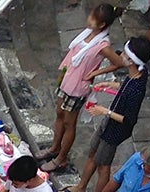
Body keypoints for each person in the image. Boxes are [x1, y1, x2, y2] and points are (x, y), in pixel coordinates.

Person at [65, 38, 150, 192]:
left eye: (126, 54)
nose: (122, 55)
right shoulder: (137, 74)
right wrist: (113, 85)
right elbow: (126, 86)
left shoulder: (136, 90)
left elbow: (128, 120)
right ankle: (81, 187)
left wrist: (104, 111)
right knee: (93, 153)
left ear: (132, 61)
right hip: (109, 122)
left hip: (115, 130)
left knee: (103, 166)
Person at [42, 6, 121, 171]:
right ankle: (55, 147)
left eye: (93, 18)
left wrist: (96, 72)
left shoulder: (102, 45)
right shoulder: (86, 35)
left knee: (69, 123)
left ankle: (61, 157)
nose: (89, 19)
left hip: (77, 88)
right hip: (66, 80)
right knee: (59, 115)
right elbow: (71, 57)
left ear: (102, 25)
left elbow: (118, 63)